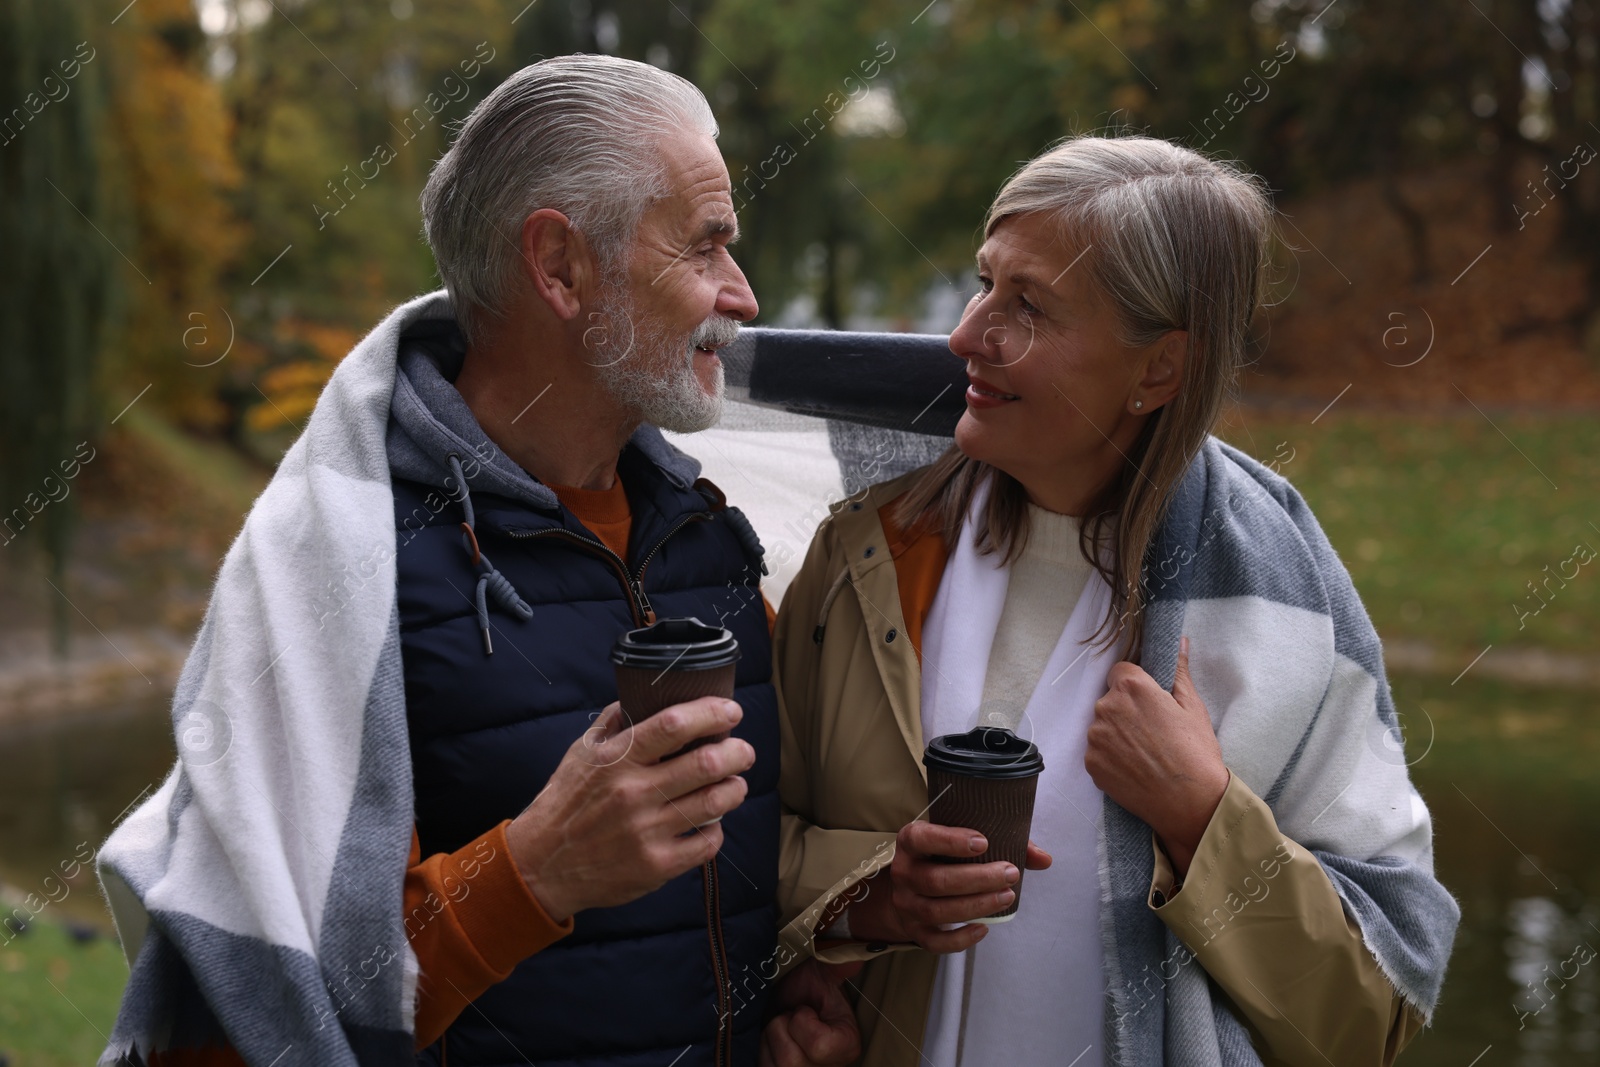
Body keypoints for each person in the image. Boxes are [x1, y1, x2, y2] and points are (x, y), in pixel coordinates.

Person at [95, 54, 833, 1067]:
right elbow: (248, 1023)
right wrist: (535, 872)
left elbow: (709, 920)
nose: (742, 297)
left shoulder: (714, 532)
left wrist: (793, 994)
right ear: (562, 267)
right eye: (705, 246)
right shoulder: (337, 573)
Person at [769, 136, 1459, 1067]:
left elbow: (1370, 1014)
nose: (968, 335)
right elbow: (736, 855)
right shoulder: (865, 557)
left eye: (1030, 307)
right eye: (984, 284)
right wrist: (865, 902)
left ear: (1159, 371)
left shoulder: (1283, 601)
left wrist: (1205, 819)